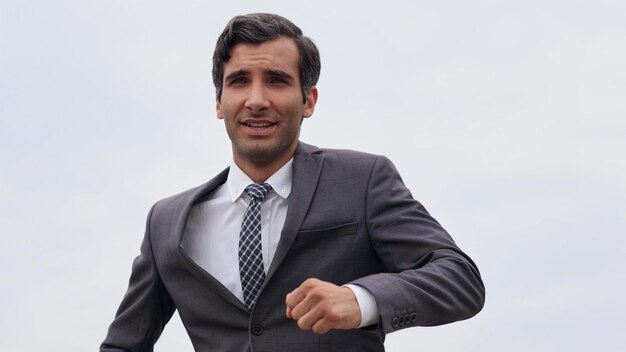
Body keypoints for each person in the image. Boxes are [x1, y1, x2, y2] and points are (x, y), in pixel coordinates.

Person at [101, 13, 485, 352]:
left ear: (309, 101)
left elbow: (459, 278)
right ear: (219, 102)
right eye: (238, 82)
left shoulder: (362, 181)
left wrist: (361, 300)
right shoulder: (166, 222)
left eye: (276, 81)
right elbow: (124, 344)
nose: (256, 100)